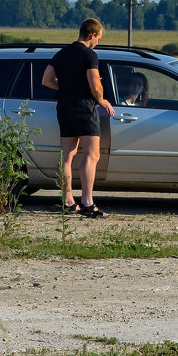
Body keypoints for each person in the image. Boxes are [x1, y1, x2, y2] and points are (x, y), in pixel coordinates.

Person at [41, 18, 115, 217]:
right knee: (92, 155)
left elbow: (46, 80)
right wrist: (101, 100)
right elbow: (94, 84)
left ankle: (68, 201)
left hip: (64, 107)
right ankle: (88, 202)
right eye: (98, 38)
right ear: (92, 35)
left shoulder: (61, 53)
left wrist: (66, 88)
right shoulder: (89, 55)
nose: (98, 42)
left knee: (67, 155)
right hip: (84, 107)